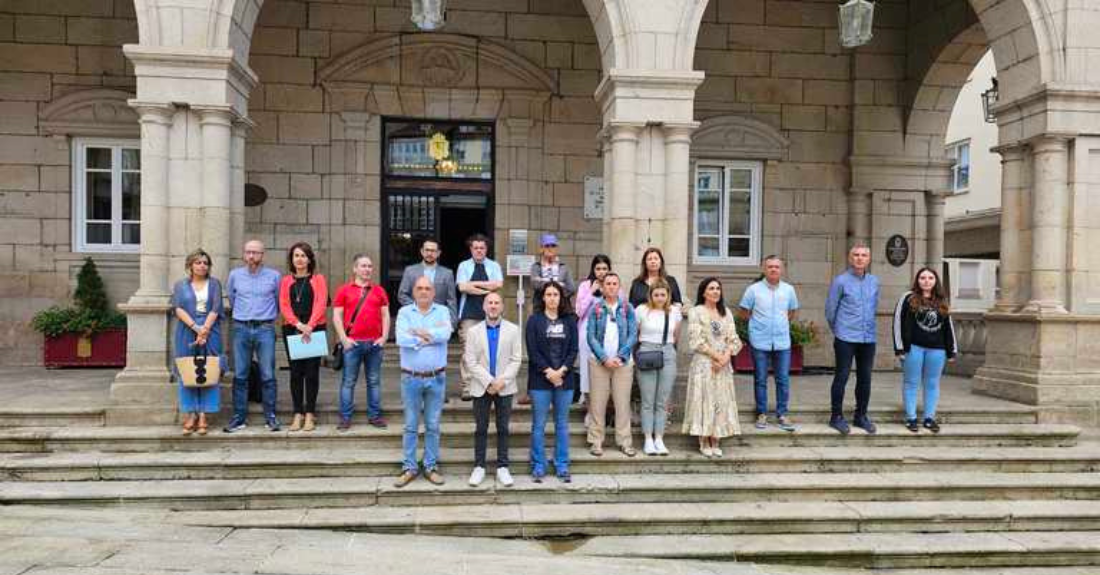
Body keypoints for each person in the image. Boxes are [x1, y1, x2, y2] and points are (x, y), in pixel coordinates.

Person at [394, 276, 454, 488]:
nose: (423, 291)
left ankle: (430, 466)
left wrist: (417, 334)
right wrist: (429, 337)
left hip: (436, 378)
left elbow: (446, 334)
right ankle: (409, 467)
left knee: (433, 425)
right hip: (410, 378)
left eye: (427, 288)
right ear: (413, 291)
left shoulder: (443, 312)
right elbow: (401, 339)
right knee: (410, 426)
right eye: (419, 288)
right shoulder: (404, 312)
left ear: (433, 292)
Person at [462, 292, 522, 487]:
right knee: (481, 428)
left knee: (503, 428)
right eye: (490, 303)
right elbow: (470, 361)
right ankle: (479, 466)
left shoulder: (513, 330)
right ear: (484, 307)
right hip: (481, 387)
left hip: (505, 387)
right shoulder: (473, 332)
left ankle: (502, 467)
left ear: (502, 306)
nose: (493, 306)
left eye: (497, 302)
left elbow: (516, 359)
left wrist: (501, 382)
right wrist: (489, 382)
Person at [225, 240, 282, 433]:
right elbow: (232, 298)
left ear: (262, 255)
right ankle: (239, 417)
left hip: (265, 328)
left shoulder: (274, 276)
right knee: (240, 374)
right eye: (248, 252)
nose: (251, 256)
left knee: (268, 374)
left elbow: (278, 301)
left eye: (255, 253)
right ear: (244, 254)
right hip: (241, 327)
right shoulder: (235, 275)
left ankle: (271, 416)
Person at [738, 255, 800, 432]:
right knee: (760, 379)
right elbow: (744, 312)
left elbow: (792, 312)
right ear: (764, 269)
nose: (773, 269)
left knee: (783, 379)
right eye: (770, 266)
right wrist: (756, 326)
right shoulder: (753, 290)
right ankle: (762, 413)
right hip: (760, 340)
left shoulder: (789, 290)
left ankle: (782, 413)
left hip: (782, 341)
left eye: (777, 267)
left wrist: (779, 324)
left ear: (782, 269)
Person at [892, 267, 958, 433]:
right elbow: (897, 322)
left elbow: (948, 327)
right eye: (922, 277)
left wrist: (951, 350)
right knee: (911, 383)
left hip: (937, 350)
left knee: (932, 384)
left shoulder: (942, 301)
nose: (926, 281)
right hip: (914, 348)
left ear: (935, 281)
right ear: (917, 280)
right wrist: (899, 348)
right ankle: (911, 418)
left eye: (930, 278)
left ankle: (929, 418)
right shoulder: (907, 298)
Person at [682, 277, 742, 458]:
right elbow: (696, 340)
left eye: (718, 288)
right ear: (703, 292)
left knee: (720, 401)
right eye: (711, 288)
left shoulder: (726, 312)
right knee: (704, 400)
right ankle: (704, 438)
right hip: (704, 364)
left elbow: (734, 339)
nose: (716, 291)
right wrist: (716, 357)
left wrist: (725, 358)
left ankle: (716, 437)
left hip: (722, 364)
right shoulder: (696, 311)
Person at [825, 243, 881, 435]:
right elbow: (830, 310)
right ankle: (836, 416)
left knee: (865, 378)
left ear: (869, 259)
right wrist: (839, 330)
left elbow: (874, 307)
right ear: (850, 258)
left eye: (864, 255)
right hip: (845, 336)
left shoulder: (874, 281)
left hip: (868, 337)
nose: (859, 258)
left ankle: (861, 416)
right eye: (856, 255)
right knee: (842, 376)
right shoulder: (840, 281)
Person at [526, 281, 578, 483]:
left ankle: (562, 464)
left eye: (556, 294)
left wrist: (561, 371)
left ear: (561, 297)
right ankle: (539, 465)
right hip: (540, 380)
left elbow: (573, 349)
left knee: (562, 425)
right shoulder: (534, 321)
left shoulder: (570, 321)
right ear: (543, 298)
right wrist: (549, 372)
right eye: (548, 294)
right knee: (538, 425)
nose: (552, 298)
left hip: (564, 381)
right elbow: (532, 351)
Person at [333, 254, 390, 431]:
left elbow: (385, 314)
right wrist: (343, 338)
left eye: (370, 266)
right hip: (353, 344)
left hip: (374, 344)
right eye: (363, 266)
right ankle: (345, 418)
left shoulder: (379, 290)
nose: (367, 269)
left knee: (374, 381)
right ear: (355, 268)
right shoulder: (344, 290)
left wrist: (384, 337)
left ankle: (374, 416)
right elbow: (336, 315)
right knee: (348, 382)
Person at [171, 249, 224, 436]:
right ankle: (191, 414)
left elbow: (216, 308)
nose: (202, 266)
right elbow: (178, 308)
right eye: (198, 262)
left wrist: (205, 330)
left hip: (211, 330)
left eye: (205, 263)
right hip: (187, 330)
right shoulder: (180, 285)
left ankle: (203, 414)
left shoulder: (215, 284)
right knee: (188, 371)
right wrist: (196, 328)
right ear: (190, 266)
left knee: (208, 370)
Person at [586, 272, 638, 457]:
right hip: (599, 362)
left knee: (622, 403)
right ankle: (596, 441)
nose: (611, 286)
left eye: (615, 283)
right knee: (597, 403)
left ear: (619, 287)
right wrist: (604, 358)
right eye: (608, 283)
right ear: (602, 287)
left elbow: (633, 334)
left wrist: (621, 356)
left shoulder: (627, 308)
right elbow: (590, 336)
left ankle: (624, 441)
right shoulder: (596, 308)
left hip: (622, 364)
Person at [278, 242, 328, 433]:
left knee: (312, 372)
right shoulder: (285, 281)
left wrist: (310, 326)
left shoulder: (318, 279)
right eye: (296, 255)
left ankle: (310, 413)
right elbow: (284, 305)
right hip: (292, 328)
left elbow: (321, 302)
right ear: (292, 259)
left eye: (303, 255)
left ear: (309, 259)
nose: (299, 259)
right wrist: (298, 325)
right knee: (296, 372)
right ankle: (297, 413)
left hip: (315, 328)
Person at [635, 279, 681, 456]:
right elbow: (636, 332)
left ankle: (659, 438)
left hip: (667, 352)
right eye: (656, 294)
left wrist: (667, 349)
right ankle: (647, 438)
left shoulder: (674, 312)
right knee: (647, 400)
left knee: (662, 401)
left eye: (663, 294)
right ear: (650, 295)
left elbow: (676, 335)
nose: (660, 298)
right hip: (647, 351)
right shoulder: (641, 310)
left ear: (668, 295)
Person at [456, 233, 504, 402]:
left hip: (490, 313)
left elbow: (498, 284)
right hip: (469, 313)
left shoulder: (494, 265)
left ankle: (487, 384)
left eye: (482, 248)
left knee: (490, 349)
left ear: (486, 249)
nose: (479, 251)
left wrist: (475, 285)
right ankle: (468, 387)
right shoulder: (463, 266)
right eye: (475, 248)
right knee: (468, 351)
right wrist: (486, 289)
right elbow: (462, 287)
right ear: (471, 249)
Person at [575, 254, 613, 407]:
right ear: (593, 270)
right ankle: (589, 407)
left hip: (609, 334)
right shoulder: (585, 286)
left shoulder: (614, 285)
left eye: (605, 268)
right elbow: (579, 311)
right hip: (587, 333)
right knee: (587, 371)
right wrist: (591, 292)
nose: (601, 272)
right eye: (598, 268)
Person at [397, 238, 457, 324]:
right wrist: (417, 308)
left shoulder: (447, 274)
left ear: (438, 253)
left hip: (438, 320)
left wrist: (452, 324)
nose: (429, 253)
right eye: (427, 250)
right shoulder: (410, 271)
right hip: (414, 319)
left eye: (433, 251)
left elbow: (451, 300)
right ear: (422, 251)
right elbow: (402, 295)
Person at [529, 233, 576, 297]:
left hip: (561, 305)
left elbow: (571, 289)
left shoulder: (564, 267)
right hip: (541, 305)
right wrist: (560, 284)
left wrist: (543, 281)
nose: (550, 248)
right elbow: (535, 285)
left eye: (553, 246)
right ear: (541, 249)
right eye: (547, 246)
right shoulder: (536, 267)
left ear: (557, 249)